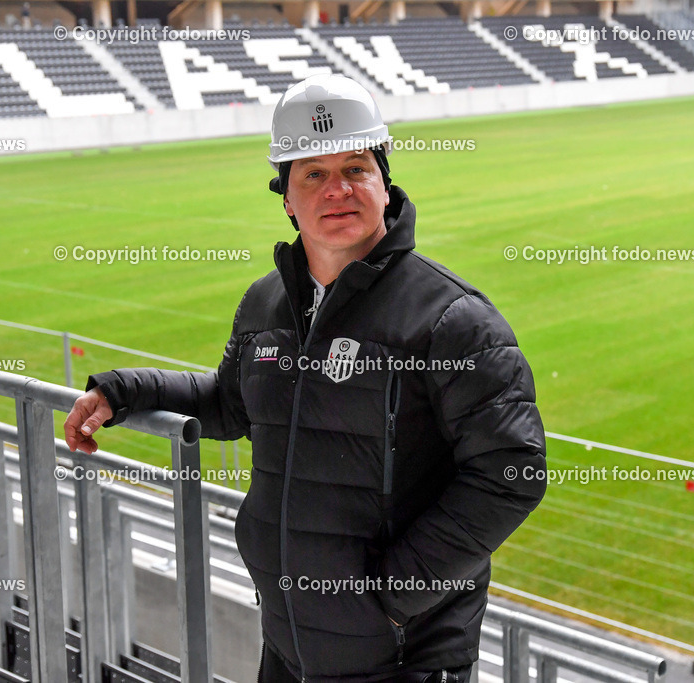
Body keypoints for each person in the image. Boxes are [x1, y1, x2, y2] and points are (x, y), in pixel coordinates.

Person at [64, 74, 547, 682]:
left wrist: (387, 602)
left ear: (385, 180)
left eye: (355, 167)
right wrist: (124, 393)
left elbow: (512, 474)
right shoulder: (267, 303)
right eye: (313, 174)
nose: (337, 189)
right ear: (286, 197)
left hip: (399, 660)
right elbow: (234, 405)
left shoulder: (452, 319)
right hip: (287, 645)